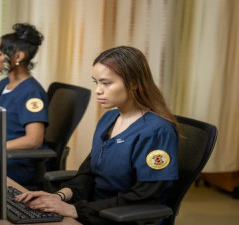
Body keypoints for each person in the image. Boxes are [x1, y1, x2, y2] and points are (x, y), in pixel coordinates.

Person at [14, 46, 179, 225]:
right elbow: (88, 174)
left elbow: (145, 196)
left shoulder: (157, 131)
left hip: (123, 217)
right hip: (94, 209)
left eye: (106, 83)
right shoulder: (109, 118)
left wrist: (75, 209)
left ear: (133, 83)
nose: (98, 90)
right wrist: (58, 196)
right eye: (96, 82)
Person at [0, 23, 48, 186]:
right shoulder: (3, 85)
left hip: (15, 164)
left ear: (18, 57)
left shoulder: (31, 94)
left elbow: (34, 140)